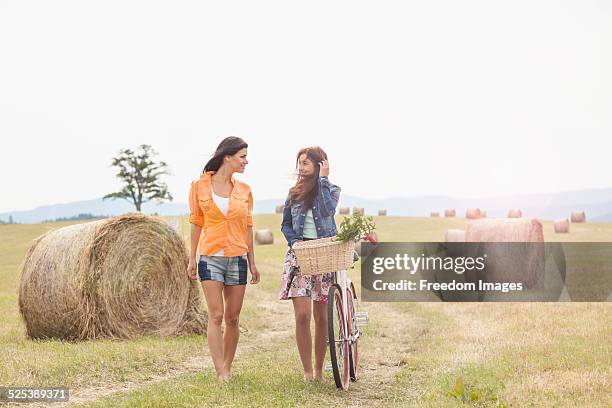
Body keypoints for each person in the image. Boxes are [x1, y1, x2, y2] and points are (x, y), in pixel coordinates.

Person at [187, 136, 260, 381]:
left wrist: (252, 262)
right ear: (227, 157)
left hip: (237, 257)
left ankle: (228, 365)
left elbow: (248, 227)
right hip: (210, 258)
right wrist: (192, 259)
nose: (246, 162)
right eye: (242, 157)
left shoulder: (245, 190)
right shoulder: (199, 186)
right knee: (216, 315)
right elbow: (196, 223)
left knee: (233, 317)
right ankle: (220, 370)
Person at [279, 146, 341, 380]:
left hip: (323, 256)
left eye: (306, 163)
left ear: (319, 164)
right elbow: (285, 224)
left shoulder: (332, 190)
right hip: (299, 257)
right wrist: (294, 241)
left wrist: (324, 179)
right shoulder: (294, 192)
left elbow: (327, 210)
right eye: (300, 163)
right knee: (302, 316)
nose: (301, 168)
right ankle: (306, 371)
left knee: (322, 317)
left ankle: (318, 369)